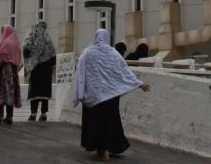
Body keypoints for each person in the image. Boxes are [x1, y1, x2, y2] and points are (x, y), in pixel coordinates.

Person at [75, 29, 152, 162]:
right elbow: (124, 71)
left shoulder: (87, 53)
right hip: (110, 96)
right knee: (109, 123)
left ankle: (102, 150)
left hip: (94, 96)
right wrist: (139, 83)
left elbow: (80, 74)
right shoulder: (113, 53)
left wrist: (79, 94)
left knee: (96, 123)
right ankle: (108, 149)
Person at [22, 21, 57, 122]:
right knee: (45, 92)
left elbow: (26, 49)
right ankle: (44, 114)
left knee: (34, 90)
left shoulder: (32, 36)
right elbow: (53, 54)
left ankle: (33, 114)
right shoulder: (48, 38)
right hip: (46, 69)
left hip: (35, 67)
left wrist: (30, 61)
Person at [0, 24, 22, 124]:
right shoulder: (16, 43)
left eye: (3, 31)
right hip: (13, 70)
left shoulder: (6, 42)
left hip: (4, 69)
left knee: (1, 92)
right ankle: (9, 117)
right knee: (11, 92)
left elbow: (0, 55)